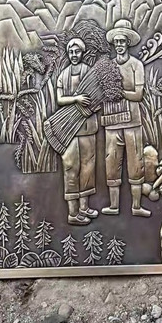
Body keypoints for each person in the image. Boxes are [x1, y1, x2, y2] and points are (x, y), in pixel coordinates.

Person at [101, 19, 149, 218]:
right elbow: (102, 93)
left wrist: (118, 92)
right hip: (112, 123)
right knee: (112, 163)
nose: (119, 45)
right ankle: (114, 205)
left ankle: (136, 206)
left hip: (133, 123)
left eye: (122, 41)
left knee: (136, 163)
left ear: (128, 43)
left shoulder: (136, 65)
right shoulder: (107, 67)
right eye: (117, 42)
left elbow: (138, 95)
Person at [56, 38, 98, 226]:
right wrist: (76, 99)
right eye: (71, 52)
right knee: (71, 167)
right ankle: (73, 212)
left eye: (77, 52)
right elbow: (59, 99)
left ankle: (84, 207)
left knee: (88, 167)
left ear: (82, 53)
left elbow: (96, 96)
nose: (74, 55)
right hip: (69, 129)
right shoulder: (63, 75)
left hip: (88, 127)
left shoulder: (89, 72)